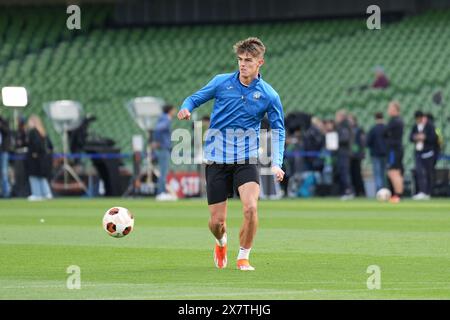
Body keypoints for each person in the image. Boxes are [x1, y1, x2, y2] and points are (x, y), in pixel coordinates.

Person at [177, 37, 285, 271]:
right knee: (217, 223)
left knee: (251, 208)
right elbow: (194, 98)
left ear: (260, 63)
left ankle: (244, 256)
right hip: (216, 159)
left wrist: (276, 162)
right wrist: (186, 108)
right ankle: (221, 242)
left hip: (246, 159)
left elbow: (278, 130)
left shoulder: (269, 95)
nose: (242, 64)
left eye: (248, 60)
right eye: (240, 60)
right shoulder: (221, 82)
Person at [409, 111, 437, 200]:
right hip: (418, 152)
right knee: (419, 172)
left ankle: (428, 192)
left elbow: (433, 138)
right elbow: (410, 137)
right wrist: (415, 137)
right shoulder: (415, 127)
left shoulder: (429, 126)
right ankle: (422, 191)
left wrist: (425, 137)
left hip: (428, 153)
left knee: (428, 173)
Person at [152, 104, 177, 201]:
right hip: (163, 148)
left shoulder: (163, 119)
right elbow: (158, 129)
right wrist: (158, 142)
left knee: (163, 171)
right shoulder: (166, 119)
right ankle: (161, 193)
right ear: (170, 110)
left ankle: (161, 192)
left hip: (162, 148)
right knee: (163, 172)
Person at [26, 115, 53, 201]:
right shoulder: (43, 132)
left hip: (35, 159)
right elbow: (50, 146)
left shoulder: (33, 132)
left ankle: (36, 194)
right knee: (42, 177)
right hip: (43, 158)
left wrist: (35, 152)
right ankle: (46, 193)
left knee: (34, 176)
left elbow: (35, 145)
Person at [384, 101, 404, 203]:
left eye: (389, 108)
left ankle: (397, 195)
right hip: (396, 149)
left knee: (393, 172)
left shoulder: (395, 121)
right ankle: (397, 194)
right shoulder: (397, 121)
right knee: (395, 172)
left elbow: (385, 132)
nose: (388, 110)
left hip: (394, 150)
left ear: (395, 109)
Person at [335, 109, 354, 200]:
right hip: (342, 153)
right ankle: (346, 191)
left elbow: (345, 139)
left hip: (344, 153)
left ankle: (348, 191)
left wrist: (335, 141)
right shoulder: (343, 126)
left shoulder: (344, 126)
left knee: (345, 173)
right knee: (343, 172)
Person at [366, 112, 387, 192]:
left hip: (375, 154)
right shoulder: (386, 128)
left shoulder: (373, 129)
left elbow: (368, 142)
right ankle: (385, 191)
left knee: (377, 174)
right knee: (383, 174)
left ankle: (379, 191)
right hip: (385, 154)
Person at [348, 114, 366, 197]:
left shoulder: (358, 130)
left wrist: (360, 153)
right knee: (352, 174)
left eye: (350, 120)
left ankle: (361, 192)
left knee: (357, 174)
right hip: (351, 155)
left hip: (357, 156)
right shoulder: (349, 130)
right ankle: (355, 191)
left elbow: (362, 143)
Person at [0, 115, 11, 198]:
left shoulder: (4, 121)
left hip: (3, 151)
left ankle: (6, 193)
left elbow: (7, 132)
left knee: (4, 172)